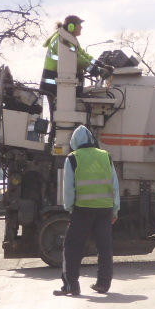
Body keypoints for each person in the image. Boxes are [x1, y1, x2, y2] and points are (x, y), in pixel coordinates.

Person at [53, 125, 120, 296]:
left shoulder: (73, 158)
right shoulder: (106, 156)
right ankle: (103, 284)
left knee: (72, 246)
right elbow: (114, 185)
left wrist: (69, 208)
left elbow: (68, 188)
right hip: (104, 210)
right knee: (105, 248)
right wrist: (115, 210)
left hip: (82, 210)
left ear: (74, 142)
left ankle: (71, 285)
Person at [39, 15, 111, 108]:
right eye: (79, 24)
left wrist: (100, 64)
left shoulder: (68, 38)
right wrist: (96, 70)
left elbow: (83, 54)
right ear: (71, 26)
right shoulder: (62, 40)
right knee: (60, 113)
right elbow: (76, 59)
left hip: (60, 82)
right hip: (54, 83)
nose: (81, 27)